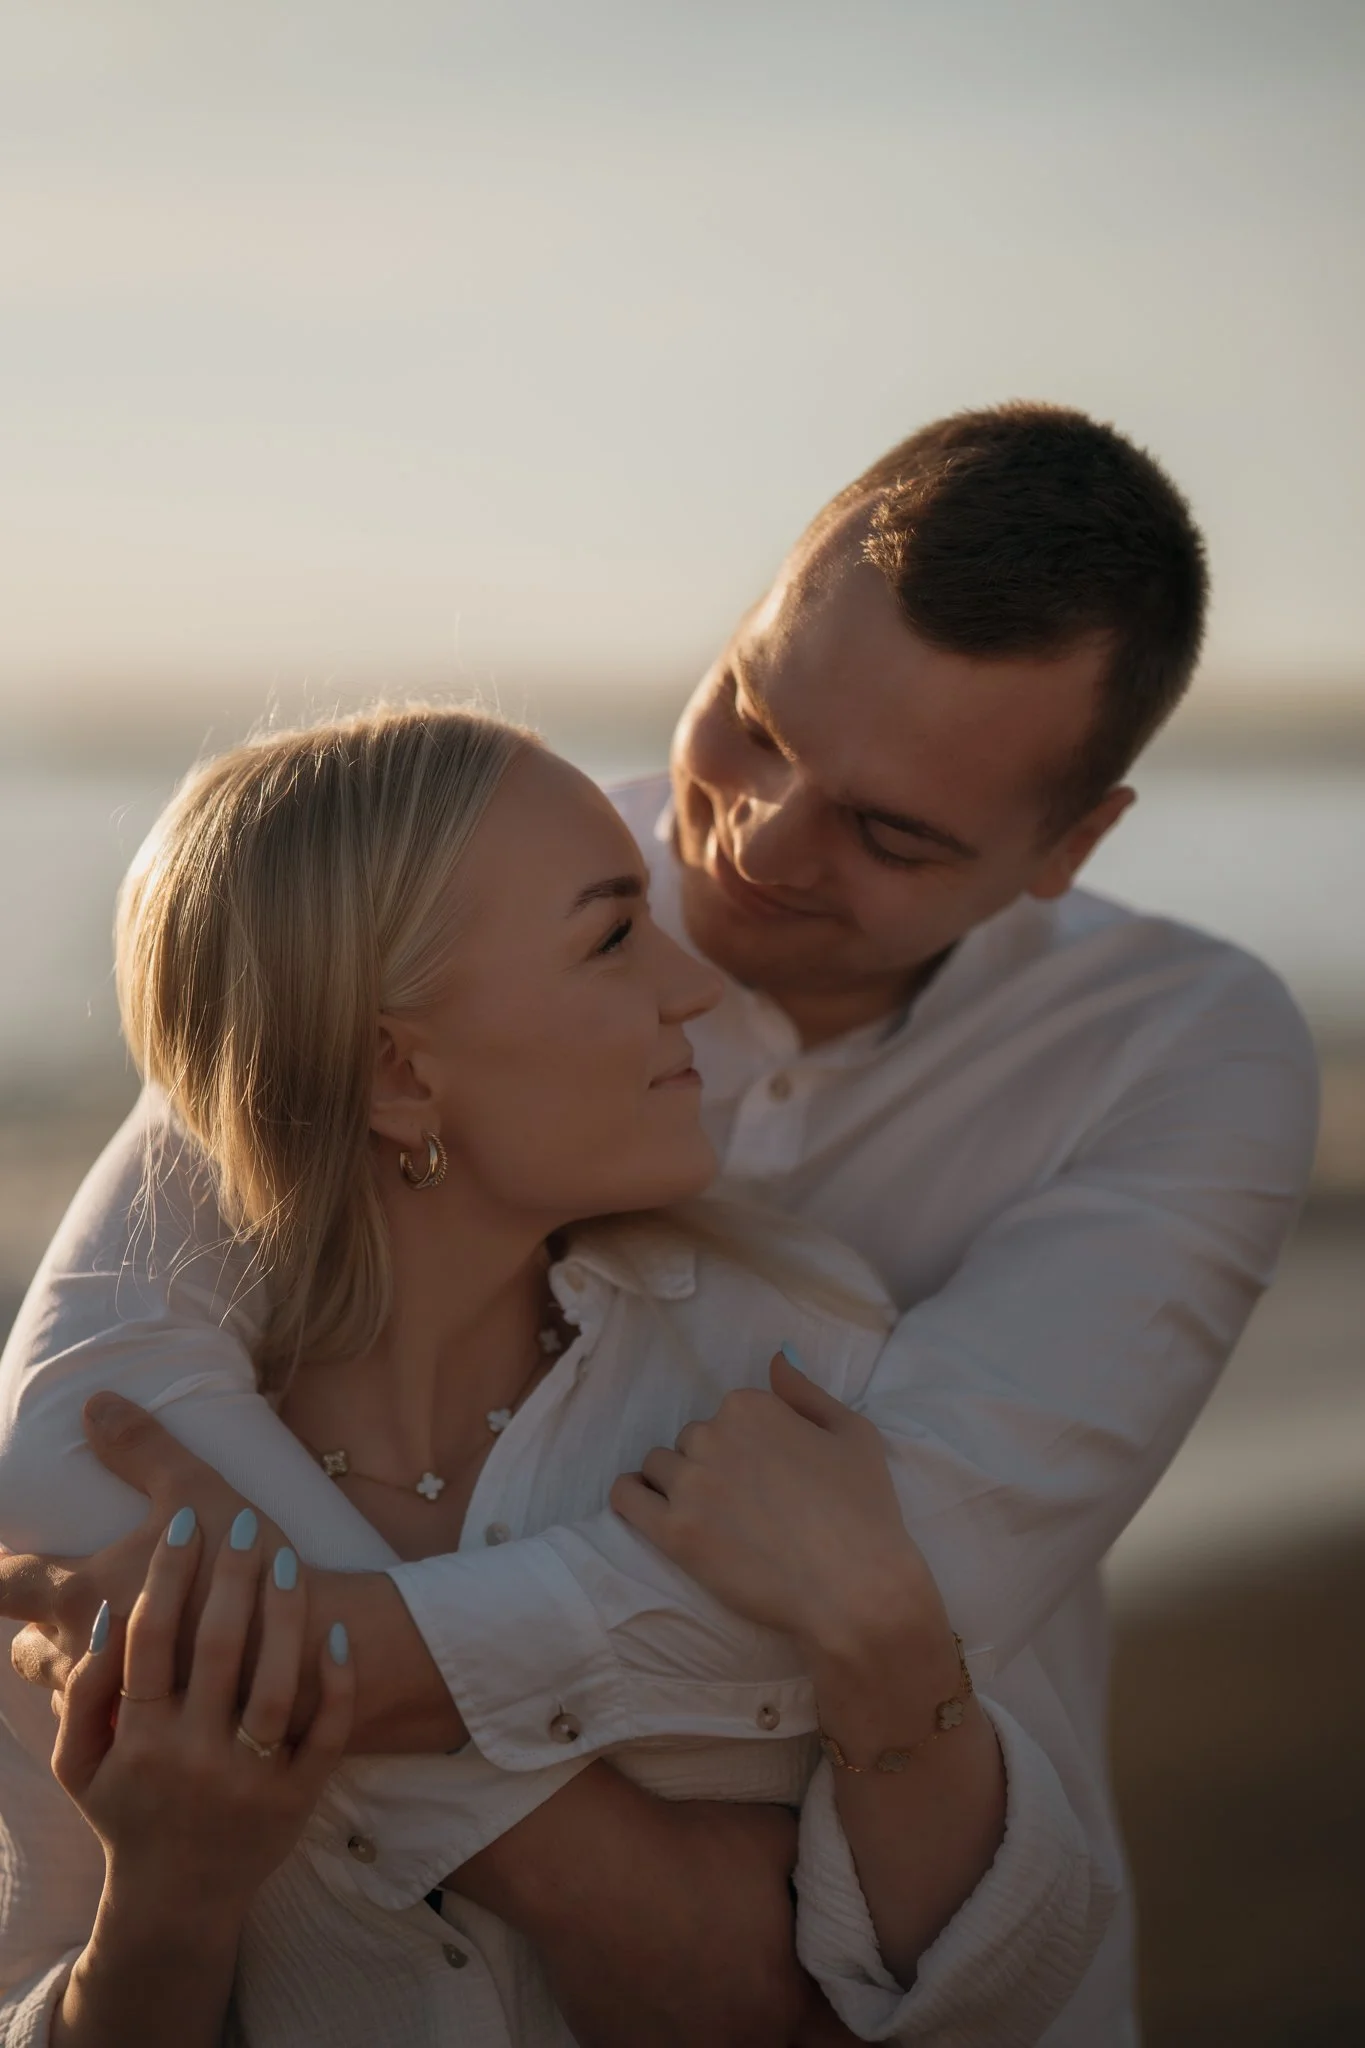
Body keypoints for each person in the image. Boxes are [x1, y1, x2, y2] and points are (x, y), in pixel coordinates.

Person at [0, 404, 1318, 2046]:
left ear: (1072, 844)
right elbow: (85, 1405)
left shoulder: (1182, 1053)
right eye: (752, 719)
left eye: (891, 831)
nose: (754, 846)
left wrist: (272, 1684)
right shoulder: (464, 880)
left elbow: (919, 1566)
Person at [0, 705, 1103, 2048]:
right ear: (400, 1073)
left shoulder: (798, 1362)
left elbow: (1019, 1983)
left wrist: (890, 1645)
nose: (695, 989)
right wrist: (169, 1907)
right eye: (610, 936)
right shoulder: (100, 1528)